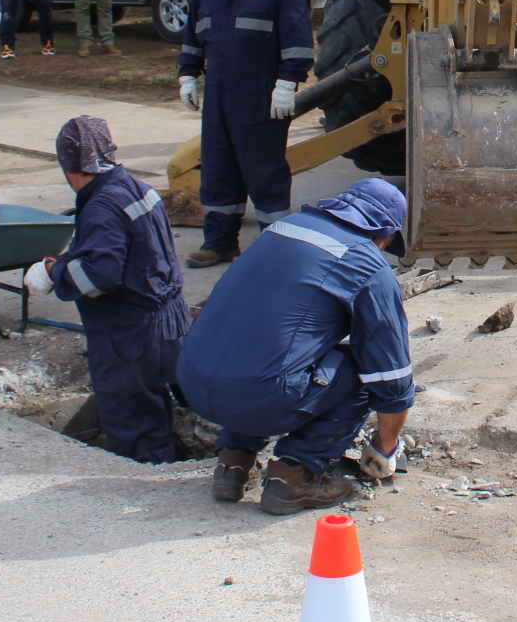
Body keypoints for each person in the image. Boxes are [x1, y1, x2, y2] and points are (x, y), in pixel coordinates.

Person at [176, 178, 415, 515]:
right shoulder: (367, 264)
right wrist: (385, 447)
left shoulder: (284, 227)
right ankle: (294, 475)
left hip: (192, 379)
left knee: (262, 350)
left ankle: (233, 462)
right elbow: (391, 376)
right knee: (363, 373)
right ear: (383, 236)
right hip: (255, 396)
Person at [23, 116, 191, 464]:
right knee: (160, 406)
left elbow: (99, 277)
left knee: (135, 430)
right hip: (169, 320)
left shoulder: (100, 206)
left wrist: (55, 272)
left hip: (129, 336)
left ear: (68, 165)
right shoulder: (140, 189)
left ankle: (145, 498)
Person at [177, 0, 314, 269]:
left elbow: (298, 41)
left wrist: (287, 83)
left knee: (263, 171)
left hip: (260, 97)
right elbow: (194, 34)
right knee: (219, 169)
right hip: (219, 97)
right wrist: (188, 74)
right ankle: (219, 243)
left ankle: (275, 249)